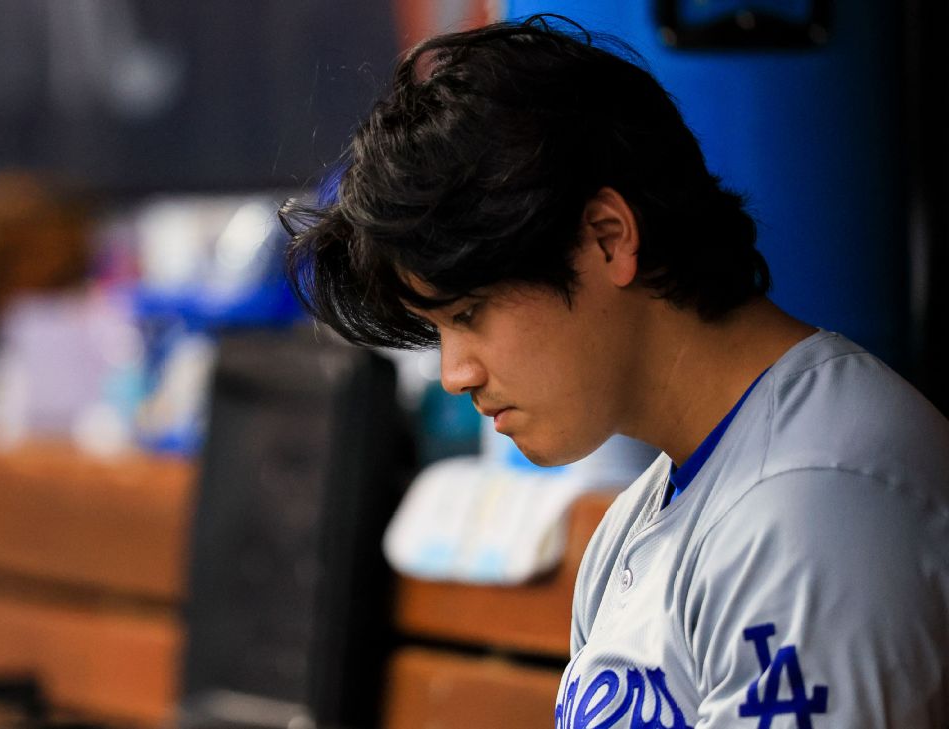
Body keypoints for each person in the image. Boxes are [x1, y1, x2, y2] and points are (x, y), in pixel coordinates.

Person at [279, 16, 949, 728]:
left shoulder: (818, 506)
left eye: (470, 312)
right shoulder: (645, 515)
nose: (455, 373)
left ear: (607, 238)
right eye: (438, 330)